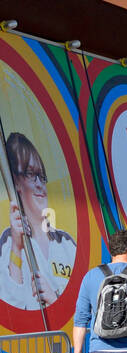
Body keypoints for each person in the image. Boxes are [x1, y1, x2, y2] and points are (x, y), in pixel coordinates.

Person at [2, 132, 76, 310]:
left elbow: (84, 301)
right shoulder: (8, 242)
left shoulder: (65, 242)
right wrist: (17, 250)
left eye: (41, 176)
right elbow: (12, 305)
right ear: (15, 183)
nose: (39, 184)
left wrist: (55, 298)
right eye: (30, 174)